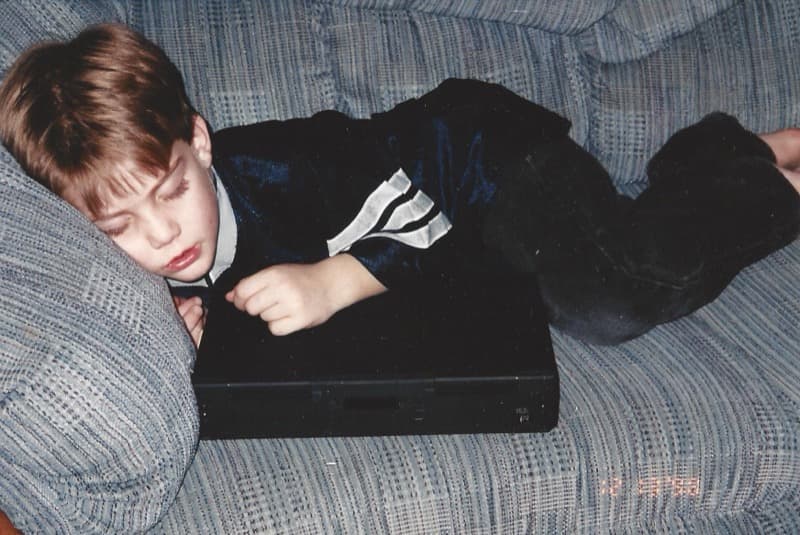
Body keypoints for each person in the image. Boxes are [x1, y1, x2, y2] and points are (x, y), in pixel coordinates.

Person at [1, 23, 799, 348]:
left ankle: (762, 179)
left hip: (481, 162)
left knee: (609, 297)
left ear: (200, 144)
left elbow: (428, 226)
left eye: (172, 190)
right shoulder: (145, 254)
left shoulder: (293, 167)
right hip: (471, 245)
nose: (163, 235)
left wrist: (336, 279)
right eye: (120, 228)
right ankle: (712, 156)